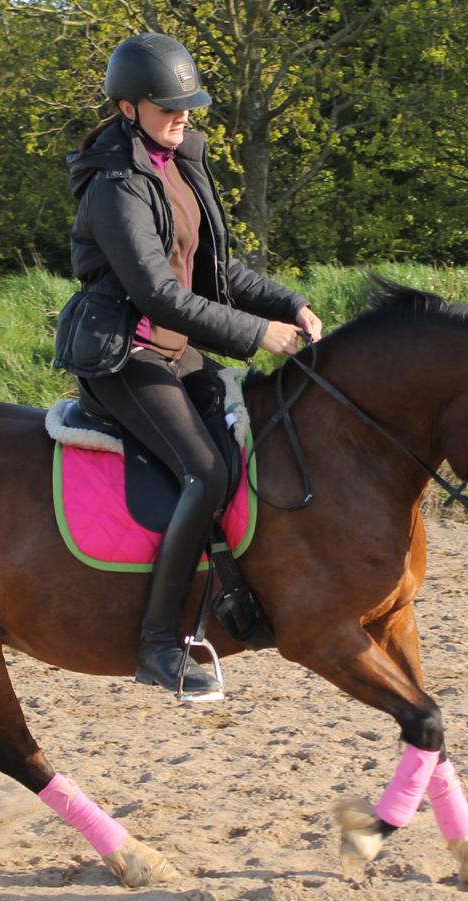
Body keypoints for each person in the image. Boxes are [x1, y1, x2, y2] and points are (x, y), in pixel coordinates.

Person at [55, 32, 323, 699]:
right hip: (127, 354)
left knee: (244, 450)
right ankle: (155, 644)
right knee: (203, 470)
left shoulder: (178, 162)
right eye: (166, 105)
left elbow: (214, 272)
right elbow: (159, 294)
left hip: (180, 347)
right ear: (127, 108)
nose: (182, 116)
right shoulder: (115, 187)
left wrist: (290, 302)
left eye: (187, 105)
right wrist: (259, 333)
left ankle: (232, 596)